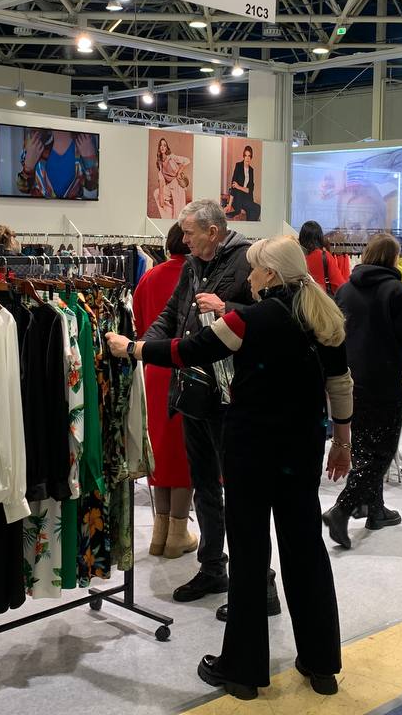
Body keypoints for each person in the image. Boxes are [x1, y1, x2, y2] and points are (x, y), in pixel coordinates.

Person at [106, 236, 353, 700]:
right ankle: (321, 665)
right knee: (307, 552)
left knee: (249, 554)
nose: (250, 277)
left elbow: (187, 351)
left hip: (250, 450)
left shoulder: (248, 320)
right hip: (301, 451)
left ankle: (242, 671)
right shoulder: (324, 318)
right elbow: (340, 383)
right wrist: (343, 441)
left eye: (256, 269)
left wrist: (131, 348)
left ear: (271, 274)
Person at [141, 199, 265, 611]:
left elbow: (270, 315)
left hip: (233, 396)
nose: (184, 239)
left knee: (242, 491)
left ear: (213, 232)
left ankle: (257, 582)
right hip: (193, 391)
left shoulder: (249, 260)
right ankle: (213, 567)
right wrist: (143, 348)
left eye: (189, 232)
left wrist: (226, 308)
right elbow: (171, 315)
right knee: (204, 485)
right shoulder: (193, 265)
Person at [324, 233, 402, 547]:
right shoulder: (396, 291)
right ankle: (342, 508)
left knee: (364, 445)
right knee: (382, 450)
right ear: (393, 259)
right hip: (385, 380)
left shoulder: (345, 289)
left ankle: (375, 510)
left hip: (350, 379)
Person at [132, 223, 196, 559]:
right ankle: (177, 533)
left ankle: (160, 534)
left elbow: (141, 324)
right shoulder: (196, 276)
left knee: (159, 452)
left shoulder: (149, 277)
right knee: (185, 454)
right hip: (186, 369)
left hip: (154, 371)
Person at [16, 129, 98, 199]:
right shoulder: (34, 138)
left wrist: (89, 159)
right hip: (40, 210)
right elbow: (23, 189)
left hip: (73, 210)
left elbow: (92, 186)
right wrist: (28, 167)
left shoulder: (85, 138)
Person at [299, 221, 347, 295]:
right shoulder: (325, 256)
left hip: (302, 298)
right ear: (320, 237)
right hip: (321, 299)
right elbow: (339, 284)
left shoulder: (297, 257)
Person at [152, 136, 192, 220]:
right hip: (169, 187)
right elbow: (161, 180)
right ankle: (168, 217)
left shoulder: (172, 157)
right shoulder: (159, 163)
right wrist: (161, 197)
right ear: (159, 147)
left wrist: (179, 172)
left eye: (165, 145)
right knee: (156, 193)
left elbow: (187, 160)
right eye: (161, 145)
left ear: (167, 148)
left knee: (179, 214)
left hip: (177, 186)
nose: (163, 147)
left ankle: (174, 219)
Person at [227, 145, 261, 221]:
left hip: (247, 199)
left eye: (249, 156)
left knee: (255, 209)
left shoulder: (251, 170)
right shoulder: (238, 166)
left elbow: (250, 190)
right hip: (238, 198)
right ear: (243, 156)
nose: (247, 158)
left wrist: (238, 186)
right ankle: (239, 211)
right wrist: (229, 204)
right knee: (256, 208)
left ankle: (250, 227)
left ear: (251, 157)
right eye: (246, 155)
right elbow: (233, 185)